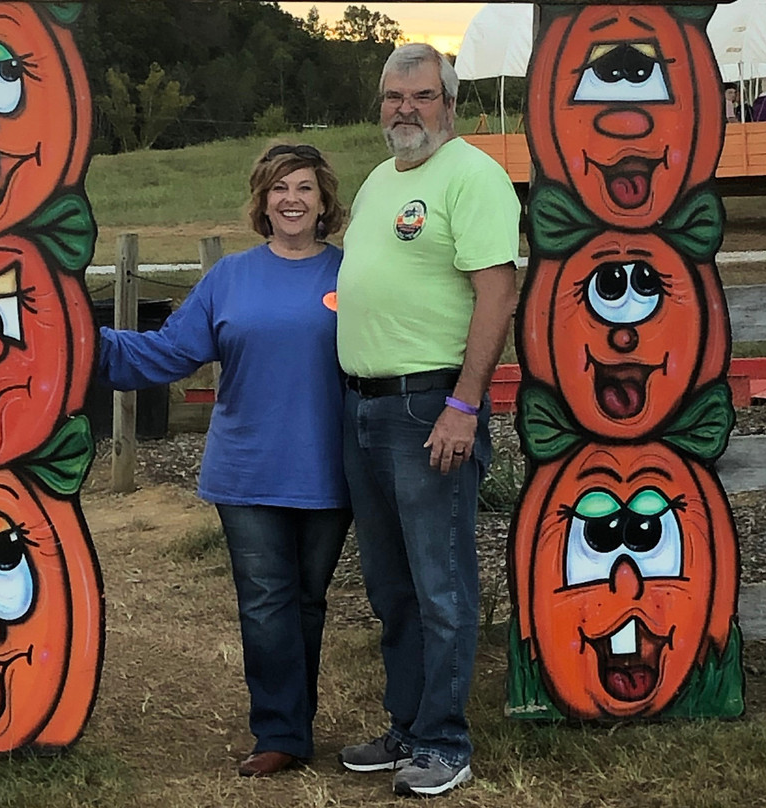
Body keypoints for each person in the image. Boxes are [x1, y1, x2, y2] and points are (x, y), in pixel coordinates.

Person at [97, 144, 351, 778]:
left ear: (324, 203)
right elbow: (164, 354)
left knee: (309, 601)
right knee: (266, 601)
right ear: (262, 203)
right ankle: (280, 733)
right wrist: (75, 332)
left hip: (332, 468)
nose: (291, 199)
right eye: (277, 189)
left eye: (304, 189)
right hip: (247, 468)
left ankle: (297, 720)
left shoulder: (354, 274)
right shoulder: (229, 279)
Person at [335, 43, 519, 797]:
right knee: (391, 584)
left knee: (441, 584)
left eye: (421, 96)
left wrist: (464, 405)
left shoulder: (472, 175)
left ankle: (445, 742)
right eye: (392, 96)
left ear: (448, 102)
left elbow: (497, 294)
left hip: (429, 408)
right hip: (363, 404)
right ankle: (408, 726)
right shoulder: (381, 180)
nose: (405, 109)